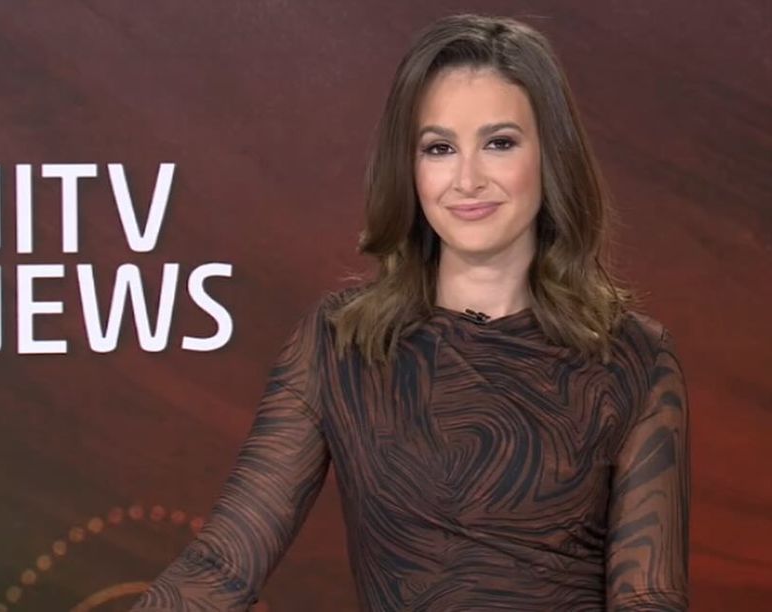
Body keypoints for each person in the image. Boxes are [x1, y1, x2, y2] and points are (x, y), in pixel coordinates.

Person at [130, 13, 690, 611]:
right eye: (439, 148)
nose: (467, 179)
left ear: (551, 156)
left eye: (499, 143)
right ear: (411, 167)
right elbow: (223, 567)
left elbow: (649, 598)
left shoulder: (635, 357)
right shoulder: (341, 342)